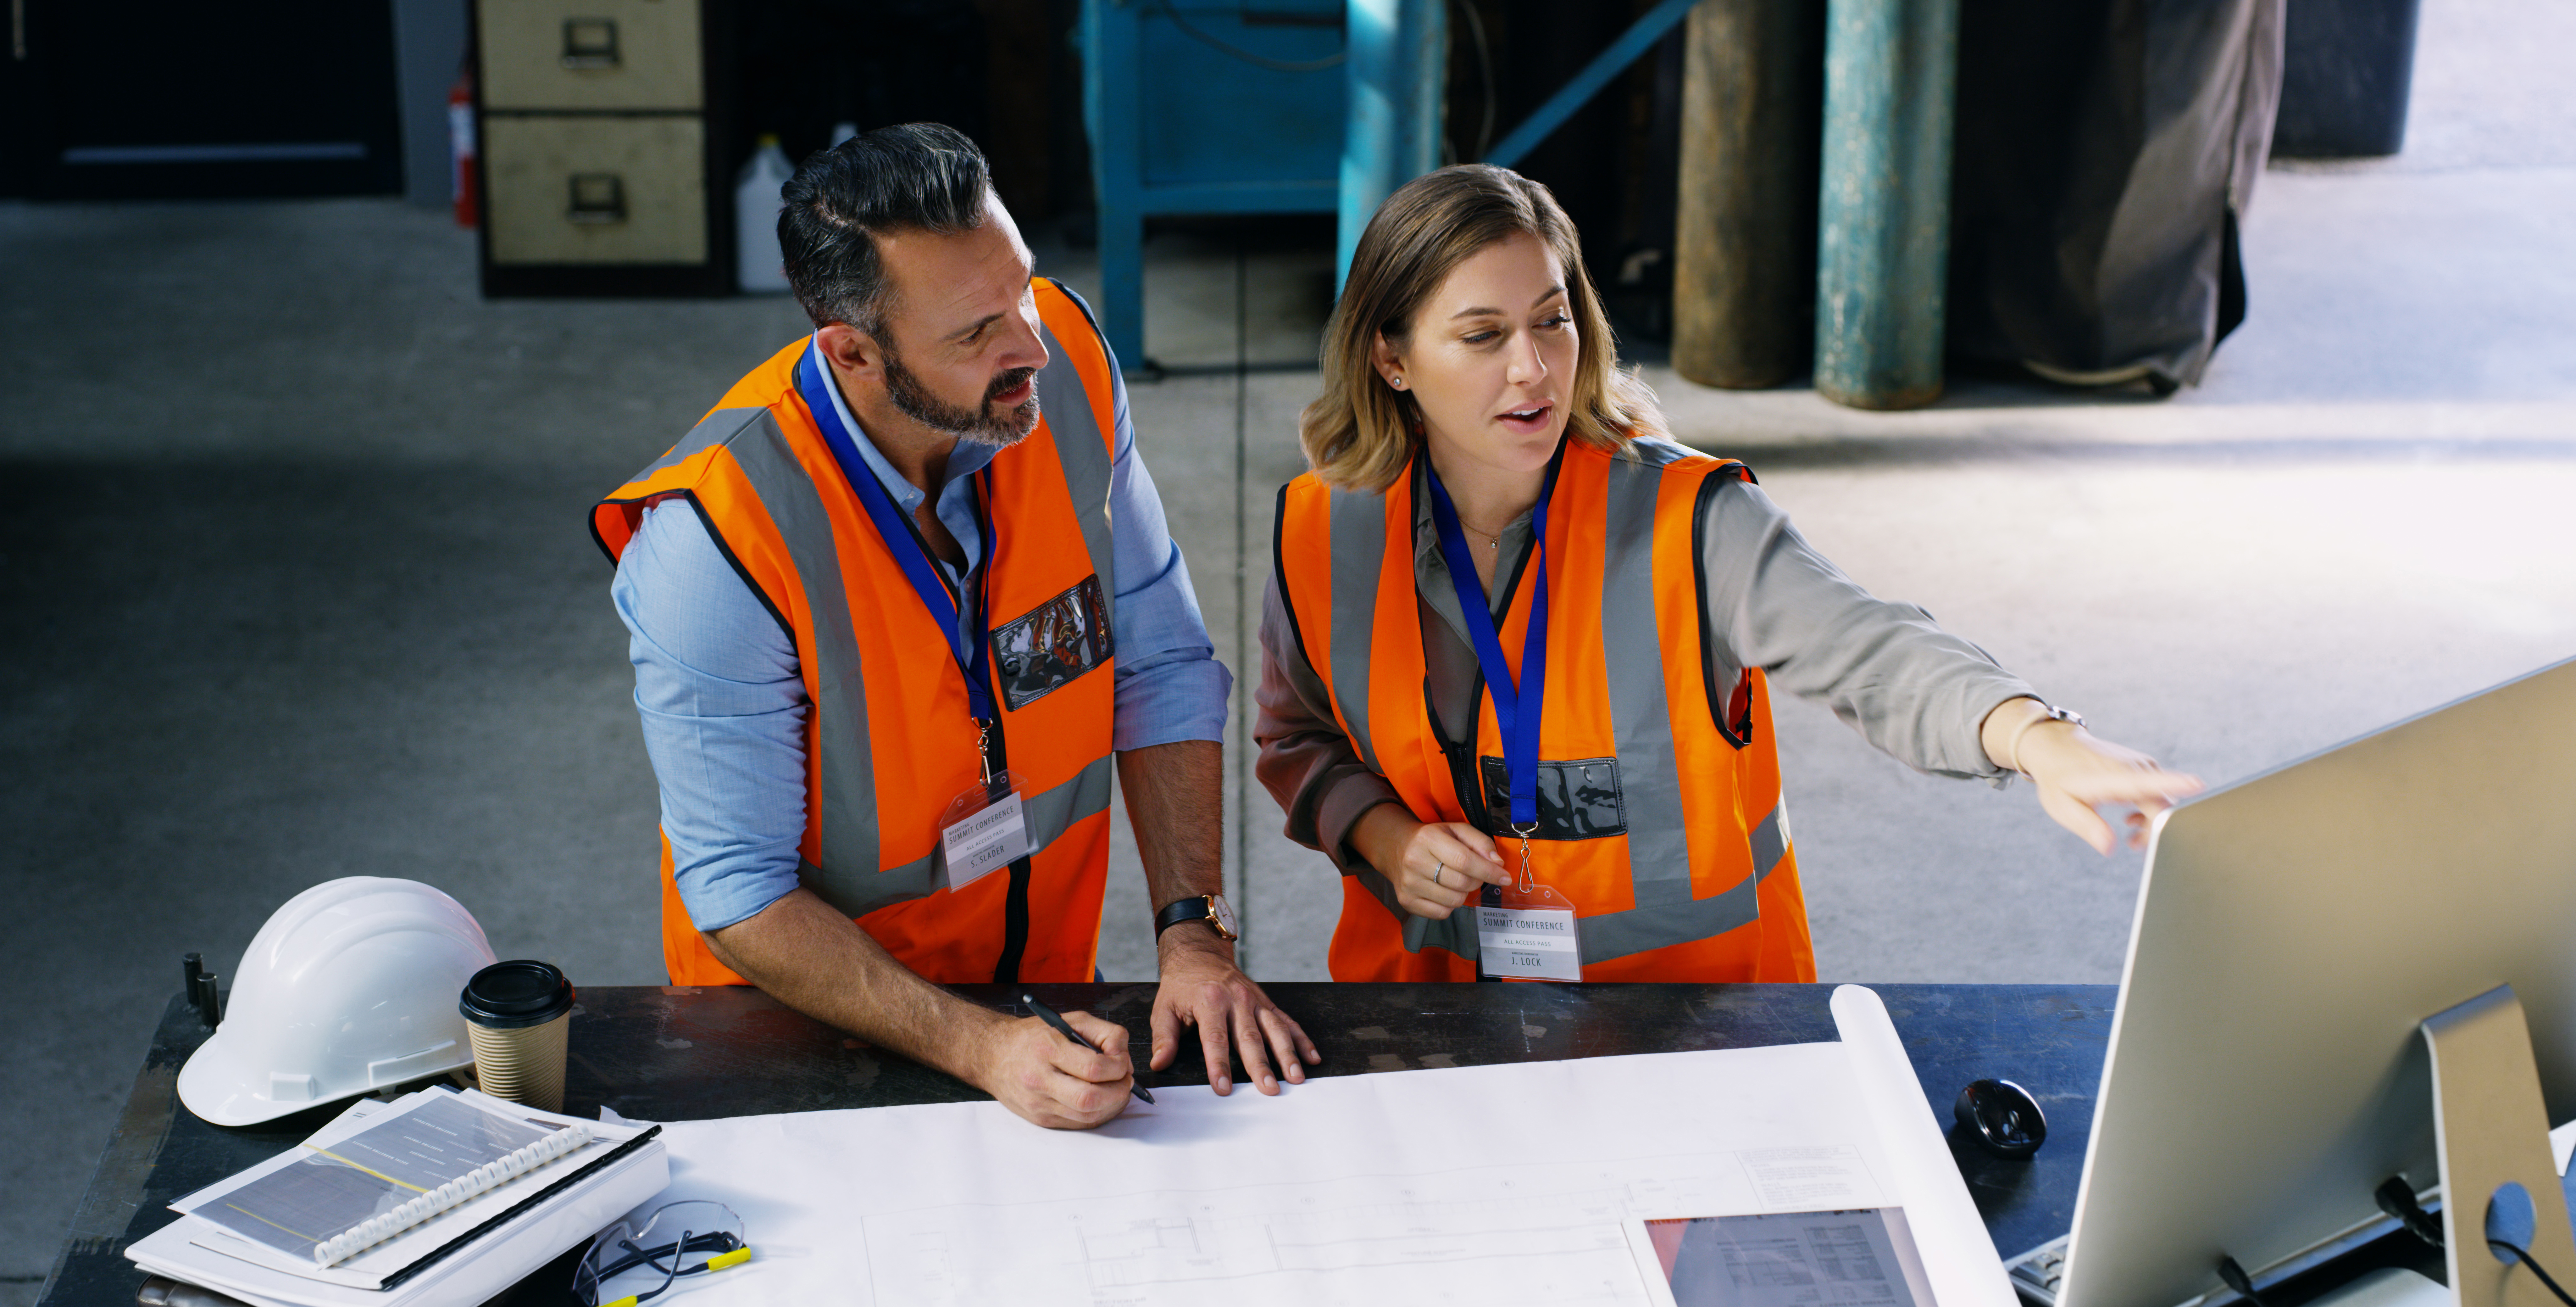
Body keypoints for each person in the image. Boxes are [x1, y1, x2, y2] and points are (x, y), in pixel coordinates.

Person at [1255, 164, 2202, 983]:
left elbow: (1870, 649)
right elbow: (1296, 735)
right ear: (1391, 358)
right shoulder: (1323, 530)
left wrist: (2036, 736)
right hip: (1429, 1020)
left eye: (1553, 321)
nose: (1534, 370)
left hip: (1696, 1027)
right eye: (1482, 336)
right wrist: (1383, 836)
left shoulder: (1691, 520)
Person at [593, 124, 1317, 1128]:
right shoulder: (716, 545)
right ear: (852, 351)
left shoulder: (1063, 371)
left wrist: (1194, 933)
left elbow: (1162, 666)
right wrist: (979, 1048)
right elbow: (740, 890)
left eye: (1021, 286)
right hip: (802, 1055)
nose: (1029, 343)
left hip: (1042, 1009)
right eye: (975, 331)